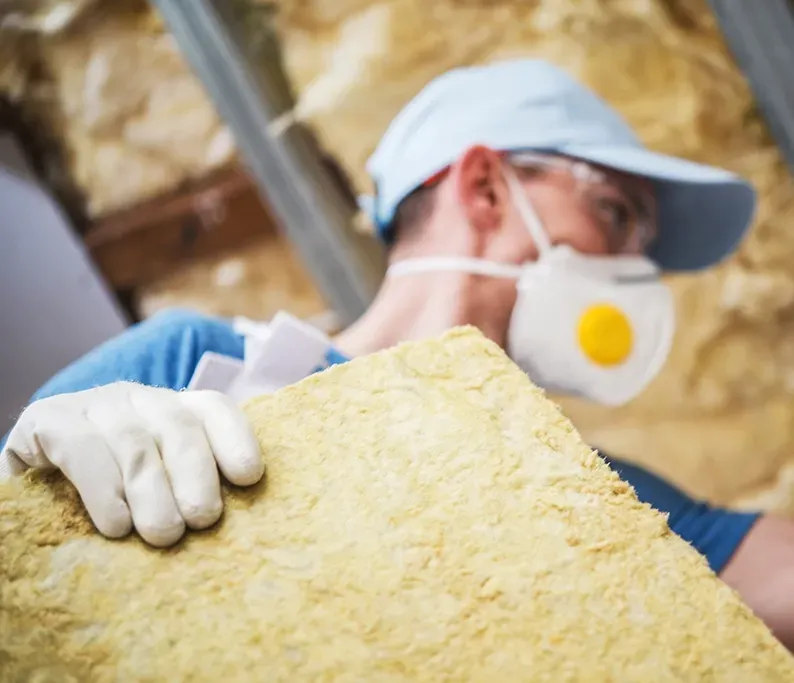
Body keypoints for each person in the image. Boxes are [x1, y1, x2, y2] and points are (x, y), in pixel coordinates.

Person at [3, 59, 794, 648]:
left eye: (645, 250)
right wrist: (22, 505)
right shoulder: (192, 367)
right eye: (616, 214)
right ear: (484, 185)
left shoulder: (591, 485)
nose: (633, 272)